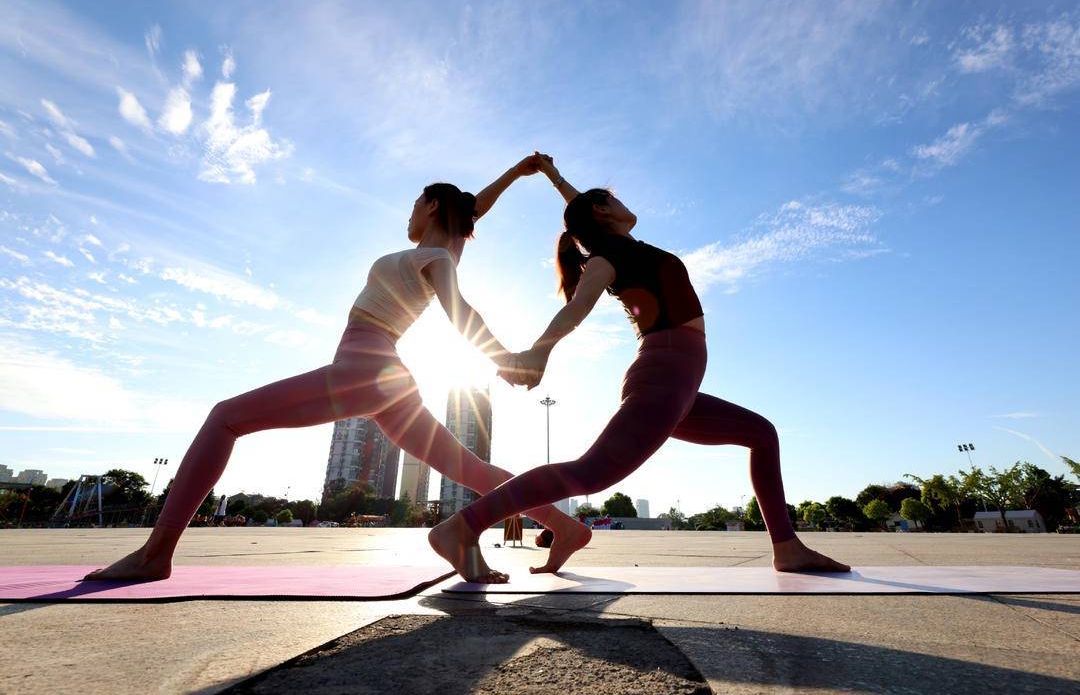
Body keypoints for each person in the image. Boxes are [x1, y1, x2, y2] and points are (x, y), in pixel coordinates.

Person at [86, 154, 590, 584]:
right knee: (470, 469)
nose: (409, 214)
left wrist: (503, 359)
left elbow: (460, 311)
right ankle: (563, 526)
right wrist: (517, 173)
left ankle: (155, 555)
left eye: (415, 203)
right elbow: (470, 207)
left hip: (364, 369)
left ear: (432, 204)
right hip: (386, 378)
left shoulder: (436, 255)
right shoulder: (442, 246)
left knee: (225, 417)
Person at [429, 154, 849, 581]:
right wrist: (540, 352)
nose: (622, 204)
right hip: (664, 376)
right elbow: (577, 307)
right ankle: (462, 528)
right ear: (603, 211)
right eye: (613, 200)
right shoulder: (607, 255)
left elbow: (581, 212)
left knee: (762, 435)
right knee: (590, 473)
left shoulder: (610, 243)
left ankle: (787, 548)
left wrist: (555, 178)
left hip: (677, 384)